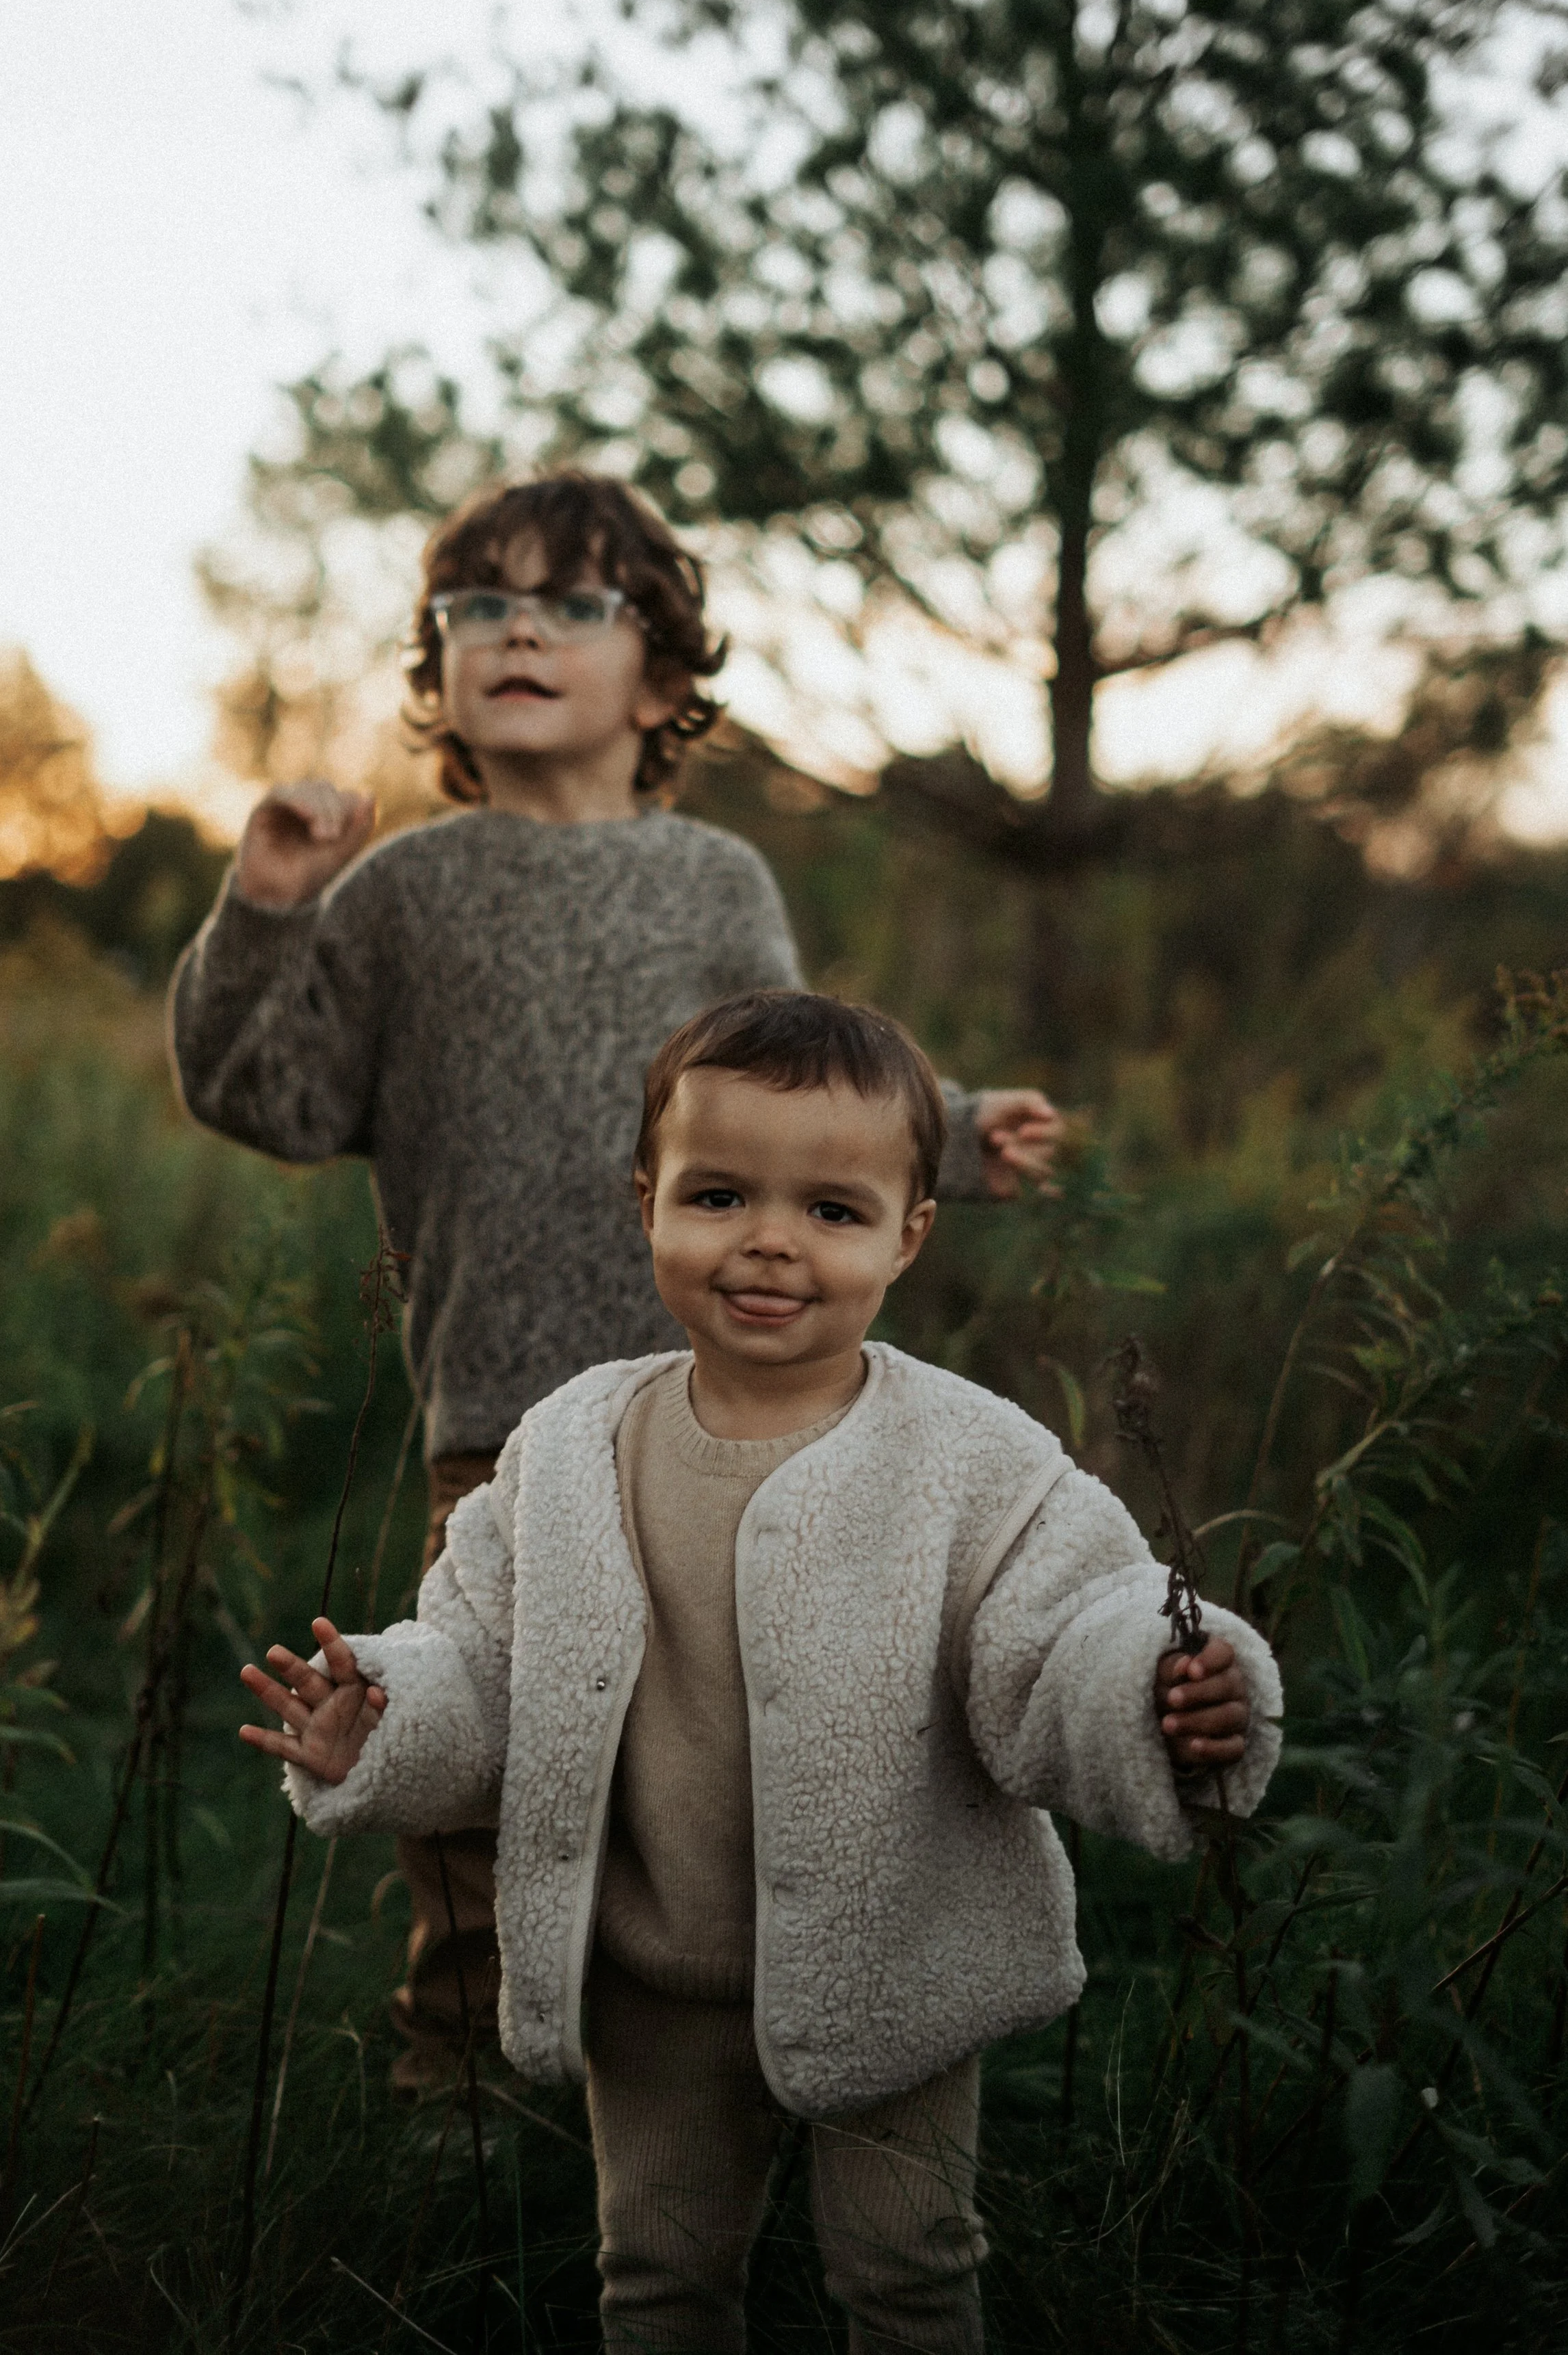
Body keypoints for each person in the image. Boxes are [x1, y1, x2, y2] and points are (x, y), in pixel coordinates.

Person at [172, 473, 1064, 2088]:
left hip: (725, 1415)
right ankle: (470, 2079)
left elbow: (792, 1092)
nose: (517, 623)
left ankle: (738, 2056)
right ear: (438, 673)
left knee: (708, 1760)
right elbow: (267, 1094)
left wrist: (945, 1125)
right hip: (504, 1424)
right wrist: (270, 908)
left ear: (657, 679)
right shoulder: (405, 890)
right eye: (477, 603)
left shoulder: (713, 882)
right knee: (486, 1748)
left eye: (573, 601)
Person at [238, 989, 1283, 2354]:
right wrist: (382, 1715)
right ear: (646, 1199)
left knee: (907, 2274)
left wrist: (1157, 1684)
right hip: (651, 1966)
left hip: (895, 1957)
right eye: (719, 1194)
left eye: (832, 1213)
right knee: (657, 2278)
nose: (770, 1244)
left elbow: (1065, 1625)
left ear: (910, 1233)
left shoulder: (971, 1461)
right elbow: (487, 1665)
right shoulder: (566, 1447)